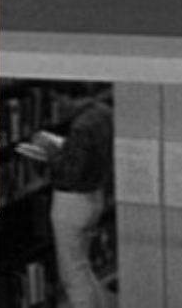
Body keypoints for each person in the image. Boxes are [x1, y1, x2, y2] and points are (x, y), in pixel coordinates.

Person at [40, 97, 115, 308]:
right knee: (83, 266)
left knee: (72, 275)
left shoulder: (81, 126)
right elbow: (86, 154)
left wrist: (51, 155)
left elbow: (71, 173)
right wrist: (66, 147)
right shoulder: (104, 113)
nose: (60, 109)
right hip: (94, 196)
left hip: (71, 203)